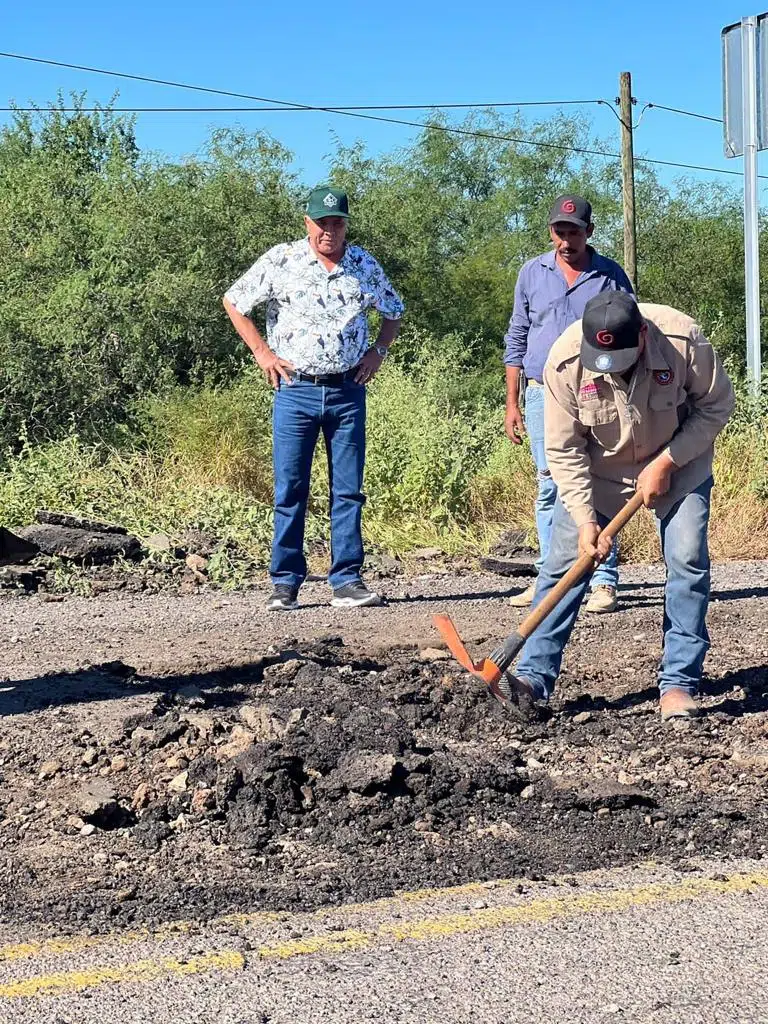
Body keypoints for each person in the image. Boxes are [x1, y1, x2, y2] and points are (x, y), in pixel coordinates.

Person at [508, 291, 735, 721]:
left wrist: (667, 462)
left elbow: (716, 406)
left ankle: (679, 683)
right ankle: (532, 676)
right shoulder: (564, 362)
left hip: (678, 462)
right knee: (562, 564)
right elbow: (564, 449)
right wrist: (584, 518)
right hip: (600, 472)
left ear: (643, 336)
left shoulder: (683, 340)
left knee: (686, 560)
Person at [223, 185, 404, 611]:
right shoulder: (282, 259)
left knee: (348, 489)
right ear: (307, 222)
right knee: (290, 488)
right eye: (322, 222)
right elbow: (234, 301)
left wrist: (377, 353)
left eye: (337, 222)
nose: (329, 230)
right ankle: (285, 582)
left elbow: (393, 310)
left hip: (346, 390)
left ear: (346, 224)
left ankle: (347, 580)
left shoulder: (362, 264)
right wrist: (262, 353)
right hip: (294, 390)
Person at [504, 194, 634, 613]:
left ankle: (603, 581)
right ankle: (550, 580)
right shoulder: (532, 273)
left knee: (602, 481)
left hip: (599, 390)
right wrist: (513, 402)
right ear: (550, 232)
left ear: (589, 232)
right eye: (560, 231)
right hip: (544, 392)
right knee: (549, 485)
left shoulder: (610, 276)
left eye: (574, 231)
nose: (566, 240)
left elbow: (634, 332)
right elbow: (517, 337)